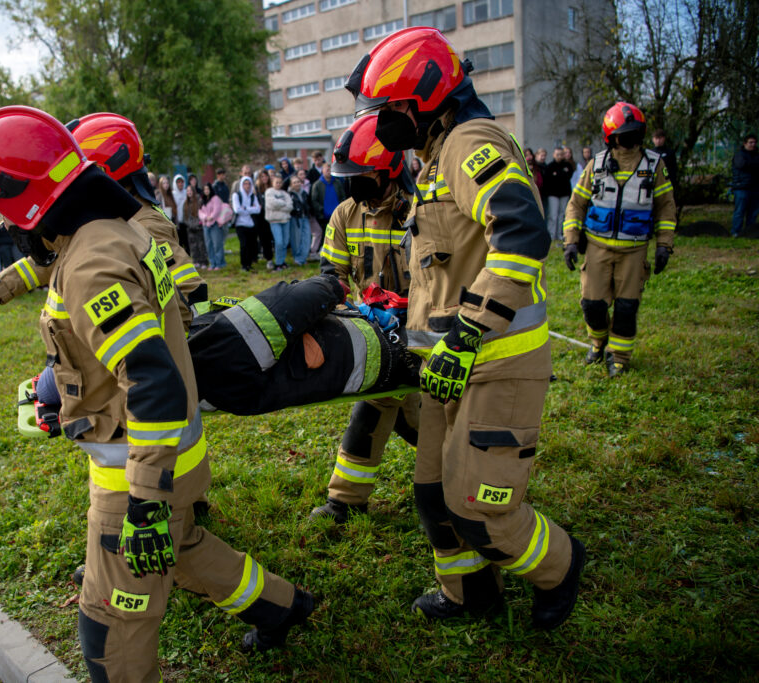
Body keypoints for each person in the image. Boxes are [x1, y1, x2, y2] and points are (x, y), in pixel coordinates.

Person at [0, 105, 314, 682]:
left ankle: (273, 603)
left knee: (109, 623)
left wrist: (144, 503)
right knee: (185, 544)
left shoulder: (92, 261)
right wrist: (1, 288)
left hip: (135, 471)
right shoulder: (99, 231)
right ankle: (284, 606)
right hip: (159, 457)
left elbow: (150, 381)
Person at [348, 26, 584, 629]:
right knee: (433, 497)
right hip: (445, 366)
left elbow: (523, 233)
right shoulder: (431, 159)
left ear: (424, 102)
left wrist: (471, 331)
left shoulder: (468, 143)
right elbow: (444, 271)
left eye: (390, 109)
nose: (384, 122)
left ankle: (560, 565)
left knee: (480, 513)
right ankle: (468, 596)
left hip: (495, 360)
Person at [0, 111, 208, 332]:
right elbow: (53, 258)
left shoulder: (144, 223)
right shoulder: (106, 218)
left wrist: (189, 343)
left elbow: (189, 291)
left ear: (104, 170)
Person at [312, 113, 419, 523]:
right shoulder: (344, 214)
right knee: (385, 409)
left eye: (361, 175)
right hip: (373, 330)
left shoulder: (419, 211)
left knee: (399, 411)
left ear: (388, 170)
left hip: (420, 332)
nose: (352, 184)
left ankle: (345, 501)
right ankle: (344, 501)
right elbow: (332, 276)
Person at [189, 274, 420, 414]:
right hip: (379, 342)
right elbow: (288, 306)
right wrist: (330, 286)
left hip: (366, 364)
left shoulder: (193, 383)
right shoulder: (215, 348)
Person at [563, 101, 677, 377]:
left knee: (626, 308)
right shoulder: (597, 164)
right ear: (611, 135)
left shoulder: (654, 164)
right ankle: (599, 342)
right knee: (592, 305)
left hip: (634, 250)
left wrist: (664, 245)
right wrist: (570, 239)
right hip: (598, 247)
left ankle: (620, 357)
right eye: (625, 131)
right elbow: (576, 203)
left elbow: (666, 206)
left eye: (635, 130)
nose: (630, 137)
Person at [542, 147, 575, 242]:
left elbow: (568, 176)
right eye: (557, 154)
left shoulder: (567, 166)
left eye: (561, 154)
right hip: (553, 194)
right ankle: (552, 234)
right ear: (554, 155)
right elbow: (548, 180)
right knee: (553, 215)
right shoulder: (550, 166)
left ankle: (560, 234)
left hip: (564, 194)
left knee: (562, 215)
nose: (559, 156)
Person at [730, 133, 759, 238]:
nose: (752, 145)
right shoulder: (739, 155)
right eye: (750, 142)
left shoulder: (756, 155)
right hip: (741, 187)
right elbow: (742, 165)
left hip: (755, 187)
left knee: (753, 213)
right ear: (745, 143)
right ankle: (736, 232)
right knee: (739, 211)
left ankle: (750, 232)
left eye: (754, 143)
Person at [232, 175, 261, 272]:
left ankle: (249, 264)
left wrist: (246, 208)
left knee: (251, 244)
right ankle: (244, 264)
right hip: (240, 224)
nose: (247, 186)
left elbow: (257, 209)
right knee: (243, 244)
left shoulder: (253, 196)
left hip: (251, 224)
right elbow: (237, 210)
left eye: (249, 184)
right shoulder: (237, 195)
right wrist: (250, 209)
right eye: (245, 184)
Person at [310, 163, 345, 242]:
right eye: (327, 170)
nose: (329, 172)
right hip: (323, 216)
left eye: (331, 170)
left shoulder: (337, 182)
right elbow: (314, 200)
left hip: (337, 214)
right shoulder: (317, 184)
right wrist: (321, 209)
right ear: (322, 171)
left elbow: (343, 197)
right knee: (325, 235)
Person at [264, 175, 293, 270]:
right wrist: (283, 203)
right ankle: (278, 263)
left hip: (285, 220)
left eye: (280, 182)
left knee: (285, 242)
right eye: (276, 182)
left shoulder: (285, 193)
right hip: (275, 221)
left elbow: (290, 206)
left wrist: (279, 204)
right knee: (279, 242)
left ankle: (282, 261)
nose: (278, 184)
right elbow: (271, 204)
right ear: (273, 182)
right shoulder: (269, 192)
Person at [198, 183, 228, 270]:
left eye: (208, 189)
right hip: (205, 224)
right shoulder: (202, 200)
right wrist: (205, 217)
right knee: (209, 245)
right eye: (205, 189)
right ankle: (212, 262)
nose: (206, 191)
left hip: (214, 224)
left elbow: (217, 209)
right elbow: (200, 212)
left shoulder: (215, 198)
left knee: (217, 244)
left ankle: (219, 263)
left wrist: (211, 217)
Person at [254, 169, 275, 268]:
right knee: (264, 238)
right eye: (262, 176)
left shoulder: (272, 187)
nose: (264, 178)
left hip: (272, 214)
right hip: (261, 216)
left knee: (272, 237)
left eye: (266, 176)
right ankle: (268, 258)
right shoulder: (257, 188)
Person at [288, 176, 311, 266]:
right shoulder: (290, 194)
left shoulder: (304, 193)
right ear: (291, 184)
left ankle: (303, 257)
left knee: (306, 238)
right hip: (295, 218)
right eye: (294, 182)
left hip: (305, 217)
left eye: (298, 182)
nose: (297, 184)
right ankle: (297, 259)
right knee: (296, 239)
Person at [172, 174, 191, 253]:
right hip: (177, 222)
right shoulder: (172, 194)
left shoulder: (186, 193)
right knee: (179, 242)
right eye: (178, 182)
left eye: (182, 182)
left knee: (187, 242)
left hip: (185, 222)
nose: (180, 184)